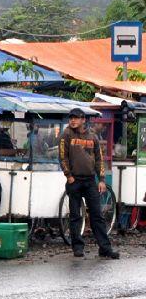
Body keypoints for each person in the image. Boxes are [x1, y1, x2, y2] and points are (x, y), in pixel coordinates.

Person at [59, 108, 119, 259]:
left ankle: (105, 249)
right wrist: (69, 176)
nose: (73, 120)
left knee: (97, 215)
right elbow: (62, 157)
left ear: (83, 120)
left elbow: (99, 160)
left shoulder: (93, 137)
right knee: (75, 216)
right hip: (74, 181)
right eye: (71, 118)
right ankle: (77, 248)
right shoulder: (66, 134)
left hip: (91, 181)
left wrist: (102, 180)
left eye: (76, 118)